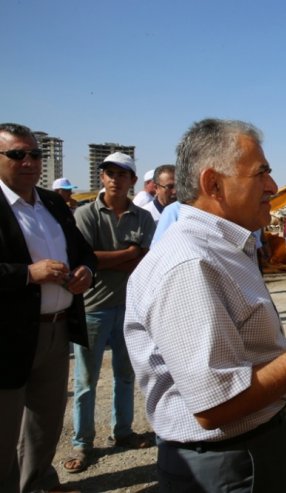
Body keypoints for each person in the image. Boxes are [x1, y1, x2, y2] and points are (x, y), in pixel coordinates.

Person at [124, 119, 286, 493]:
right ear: (213, 184)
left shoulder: (222, 247)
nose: (274, 187)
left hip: (252, 449)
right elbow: (216, 407)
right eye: (262, 174)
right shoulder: (191, 264)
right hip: (229, 462)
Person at [0, 123, 96, 493]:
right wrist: (28, 274)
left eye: (35, 154)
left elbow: (83, 251)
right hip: (10, 335)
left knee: (46, 421)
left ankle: (37, 482)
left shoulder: (53, 203)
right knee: (5, 428)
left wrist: (86, 270)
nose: (29, 162)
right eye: (17, 154)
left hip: (57, 329)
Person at [66, 152, 155, 473]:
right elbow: (87, 258)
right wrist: (128, 253)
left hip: (130, 308)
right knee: (86, 381)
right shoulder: (86, 214)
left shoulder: (142, 218)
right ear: (101, 177)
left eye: (122, 174)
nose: (115, 179)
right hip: (93, 307)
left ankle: (123, 432)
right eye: (110, 173)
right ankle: (82, 443)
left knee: (125, 376)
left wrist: (111, 257)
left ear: (132, 181)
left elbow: (144, 261)